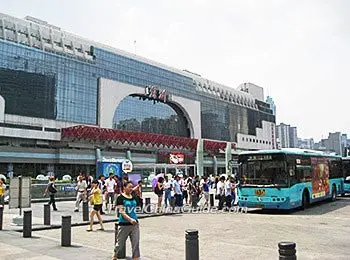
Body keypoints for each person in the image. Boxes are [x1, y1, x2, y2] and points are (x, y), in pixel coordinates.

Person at [113, 181, 140, 260]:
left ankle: (135, 257)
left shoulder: (134, 196)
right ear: (124, 187)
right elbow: (122, 211)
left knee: (135, 243)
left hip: (135, 224)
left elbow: (138, 205)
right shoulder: (120, 198)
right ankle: (115, 255)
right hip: (124, 224)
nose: (131, 188)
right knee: (120, 243)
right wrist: (130, 219)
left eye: (132, 187)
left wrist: (138, 193)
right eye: (129, 187)